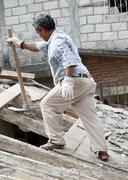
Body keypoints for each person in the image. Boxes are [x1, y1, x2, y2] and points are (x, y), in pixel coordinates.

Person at [7, 14, 109, 161]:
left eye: (38, 32)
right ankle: (102, 150)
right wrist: (20, 44)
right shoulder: (57, 36)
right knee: (90, 117)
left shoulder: (57, 43)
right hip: (86, 82)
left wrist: (68, 82)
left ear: (41, 29)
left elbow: (70, 62)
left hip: (74, 82)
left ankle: (56, 140)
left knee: (47, 105)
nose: (39, 35)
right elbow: (38, 47)